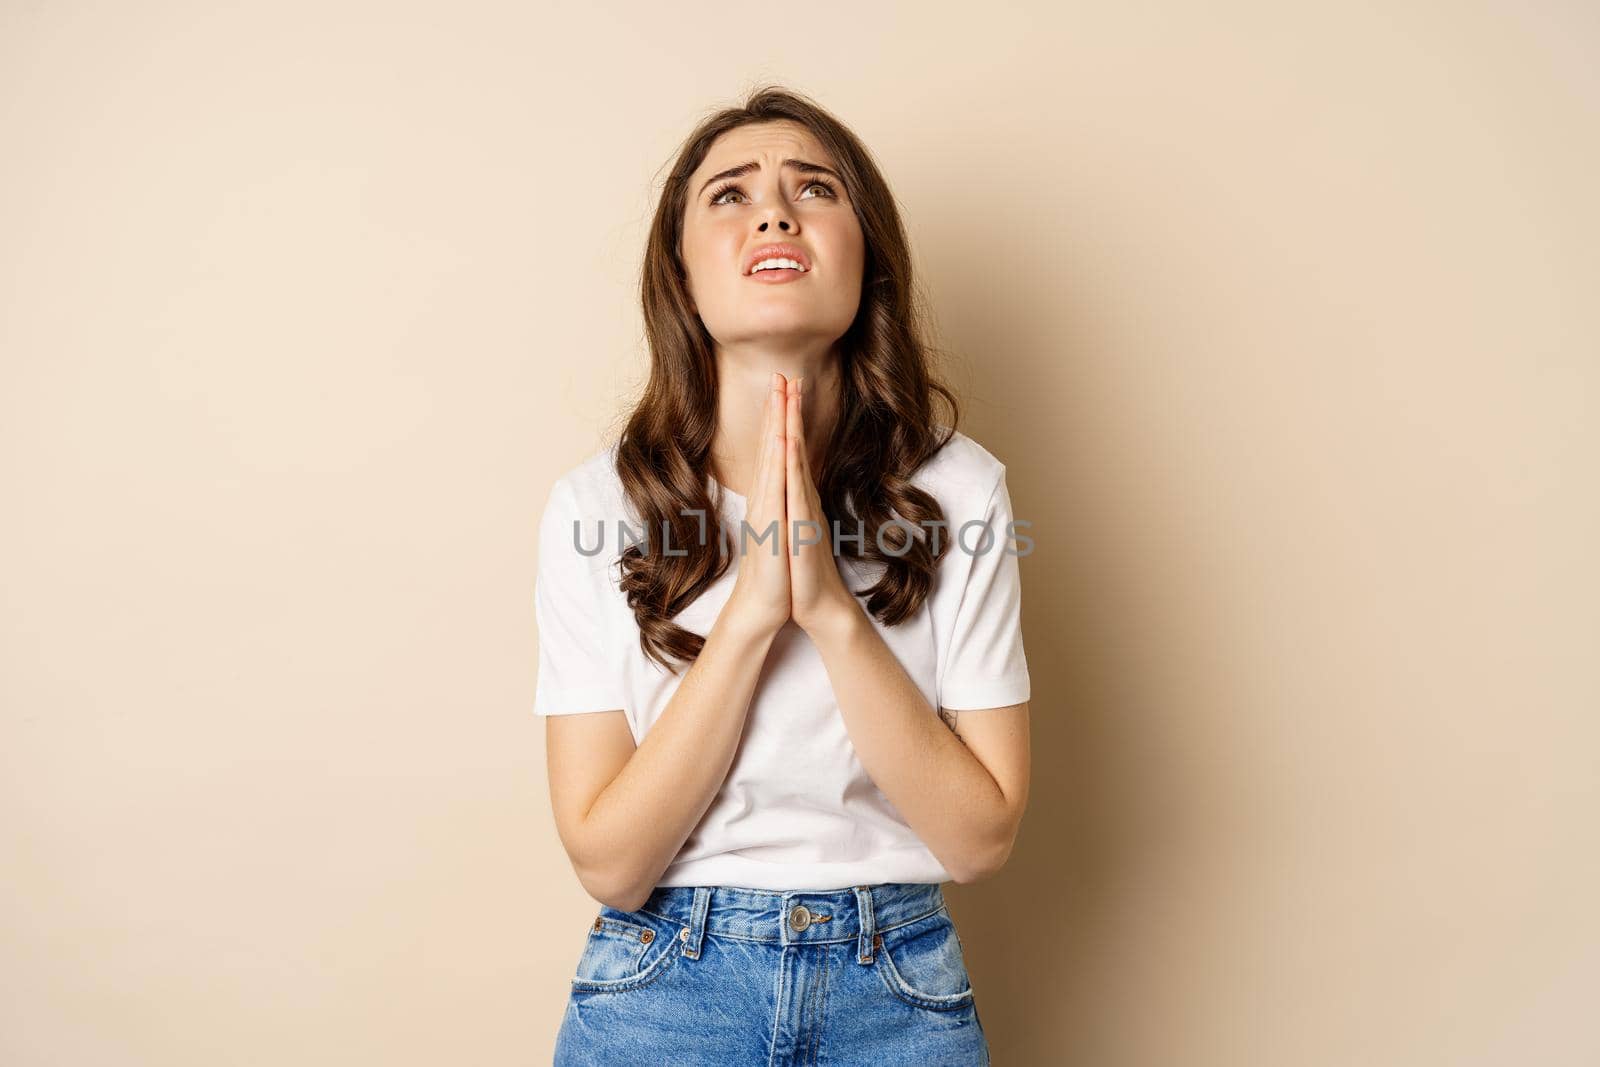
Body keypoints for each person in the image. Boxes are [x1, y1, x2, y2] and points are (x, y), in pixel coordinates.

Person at [532, 85, 1031, 1066]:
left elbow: (980, 839)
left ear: (866, 256)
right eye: (729, 193)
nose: (773, 210)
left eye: (815, 189)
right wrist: (755, 614)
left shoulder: (961, 490)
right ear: (679, 269)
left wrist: (830, 610)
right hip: (659, 990)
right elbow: (609, 859)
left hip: (897, 992)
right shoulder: (597, 508)